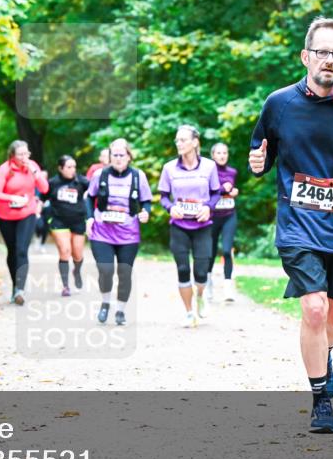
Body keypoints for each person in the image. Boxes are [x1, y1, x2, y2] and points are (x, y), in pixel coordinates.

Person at [249, 16, 333, 433]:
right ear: (305, 56)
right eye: (321, 52)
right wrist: (257, 164)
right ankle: (320, 398)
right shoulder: (279, 103)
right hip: (298, 225)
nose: (329, 60)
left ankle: (322, 356)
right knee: (313, 309)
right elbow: (262, 152)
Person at [157, 125, 221, 328]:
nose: (179, 143)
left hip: (202, 225)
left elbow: (216, 193)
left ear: (195, 142)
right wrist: (170, 208)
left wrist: (209, 208)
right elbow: (163, 197)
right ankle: (189, 312)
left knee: (201, 273)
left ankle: (200, 296)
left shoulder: (209, 167)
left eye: (183, 140)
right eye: (177, 140)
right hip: (179, 225)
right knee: (183, 268)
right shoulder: (169, 168)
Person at [85, 139, 153, 325]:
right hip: (102, 232)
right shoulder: (100, 174)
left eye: (121, 155)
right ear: (109, 157)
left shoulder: (139, 176)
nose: (117, 158)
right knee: (105, 270)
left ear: (129, 157)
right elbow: (89, 198)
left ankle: (120, 311)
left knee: (124, 272)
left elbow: (146, 201)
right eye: (114, 155)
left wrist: (145, 212)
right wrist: (90, 218)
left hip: (128, 233)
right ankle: (106, 303)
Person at [0, 140, 49, 305]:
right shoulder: (4, 169)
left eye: (27, 154)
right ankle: (15, 286)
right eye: (20, 155)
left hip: (27, 212)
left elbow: (44, 189)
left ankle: (20, 290)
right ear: (12, 156)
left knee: (21, 250)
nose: (24, 157)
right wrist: (12, 197)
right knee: (12, 251)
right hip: (6, 215)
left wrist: (35, 172)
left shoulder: (32, 166)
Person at [45, 155, 90, 296]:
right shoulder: (52, 183)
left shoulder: (81, 181)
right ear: (60, 168)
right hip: (59, 221)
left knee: (77, 254)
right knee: (65, 251)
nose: (73, 170)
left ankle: (76, 271)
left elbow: (96, 193)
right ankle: (65, 286)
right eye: (69, 167)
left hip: (77, 221)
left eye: (74, 167)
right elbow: (40, 197)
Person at [209, 142, 240, 302]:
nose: (222, 156)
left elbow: (232, 190)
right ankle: (208, 285)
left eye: (225, 153)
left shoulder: (232, 172)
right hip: (212, 216)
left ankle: (228, 288)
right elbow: (207, 191)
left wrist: (234, 191)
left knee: (227, 250)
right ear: (213, 155)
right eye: (219, 153)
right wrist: (223, 189)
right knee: (211, 251)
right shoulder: (208, 171)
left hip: (229, 215)